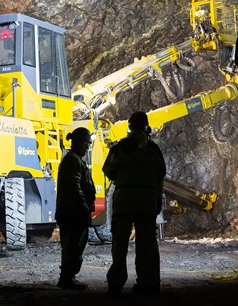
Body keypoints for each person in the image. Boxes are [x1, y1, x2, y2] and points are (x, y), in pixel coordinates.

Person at [103, 111, 167, 296]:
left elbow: (108, 170)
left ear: (129, 127)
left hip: (123, 202)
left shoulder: (119, 148)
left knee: (119, 246)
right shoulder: (153, 149)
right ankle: (146, 284)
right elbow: (160, 174)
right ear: (147, 127)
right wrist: (157, 199)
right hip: (146, 203)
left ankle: (115, 285)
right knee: (145, 247)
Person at [55, 126, 96, 290]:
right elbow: (75, 185)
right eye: (86, 143)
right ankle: (67, 278)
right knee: (73, 246)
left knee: (73, 245)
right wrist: (83, 206)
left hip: (72, 211)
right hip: (73, 212)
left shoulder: (74, 160)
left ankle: (67, 277)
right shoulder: (72, 160)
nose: (87, 147)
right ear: (78, 142)